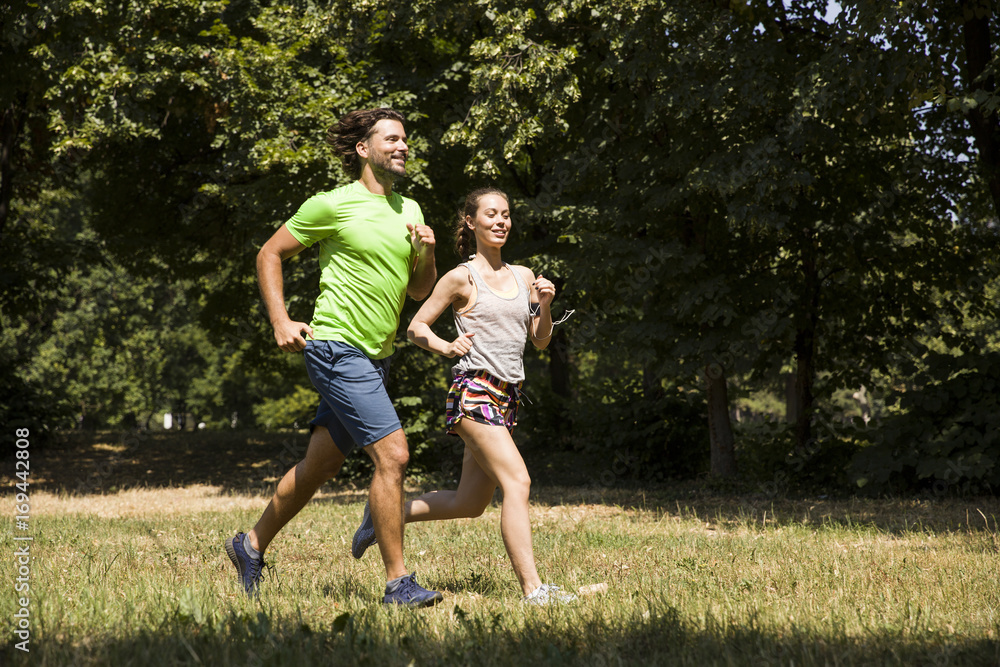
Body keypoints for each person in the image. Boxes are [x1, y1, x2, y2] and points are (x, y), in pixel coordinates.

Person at [225, 108, 444, 608]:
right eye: (392, 138)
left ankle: (250, 545)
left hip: (376, 358)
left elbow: (417, 291)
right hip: (335, 347)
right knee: (394, 455)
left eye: (406, 139)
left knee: (319, 467)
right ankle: (398, 584)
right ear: (364, 149)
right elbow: (269, 253)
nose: (403, 146)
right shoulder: (333, 204)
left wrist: (427, 255)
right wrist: (281, 320)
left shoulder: (410, 210)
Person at [351, 187, 576, 606]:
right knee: (519, 481)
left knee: (470, 502)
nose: (500, 221)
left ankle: (385, 515)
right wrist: (446, 346)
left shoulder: (524, 275)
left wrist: (544, 305)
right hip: (474, 392)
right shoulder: (461, 277)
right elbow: (417, 327)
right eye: (491, 214)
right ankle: (534, 590)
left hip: (507, 396)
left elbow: (541, 341)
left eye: (506, 214)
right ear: (470, 222)